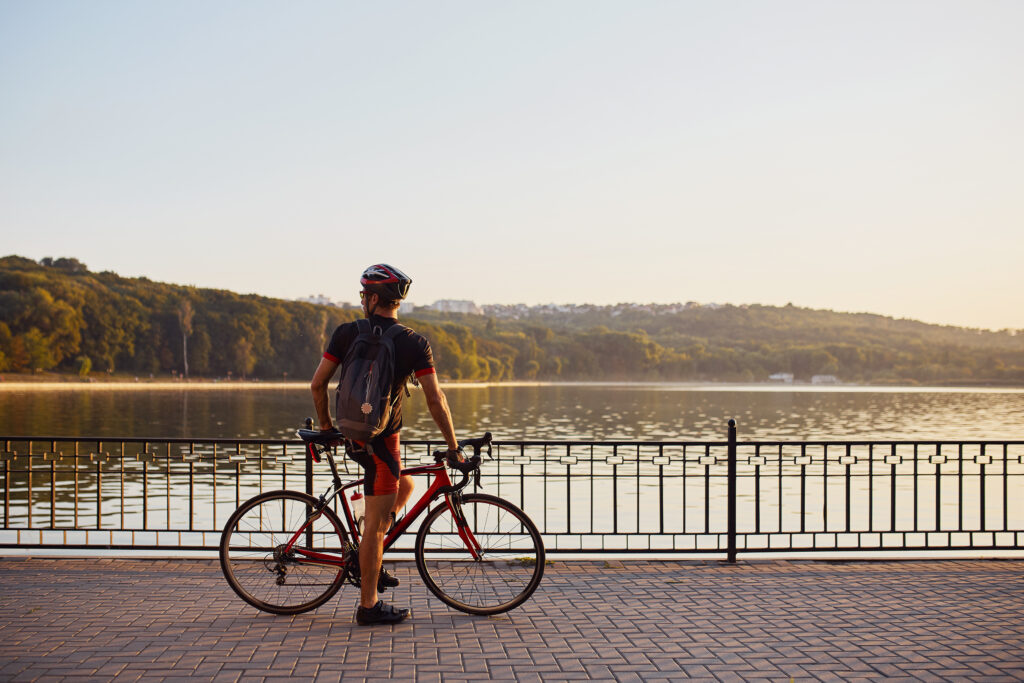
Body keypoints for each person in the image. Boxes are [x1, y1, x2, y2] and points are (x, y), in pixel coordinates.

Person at [310, 264, 460, 625]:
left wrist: (329, 427)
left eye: (364, 295)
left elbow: (317, 385)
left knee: (405, 485)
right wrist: (453, 446)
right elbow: (435, 399)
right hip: (382, 443)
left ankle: (369, 553)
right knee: (377, 525)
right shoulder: (413, 342)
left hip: (356, 438)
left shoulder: (347, 333)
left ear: (374, 298)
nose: (362, 300)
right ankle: (368, 605)